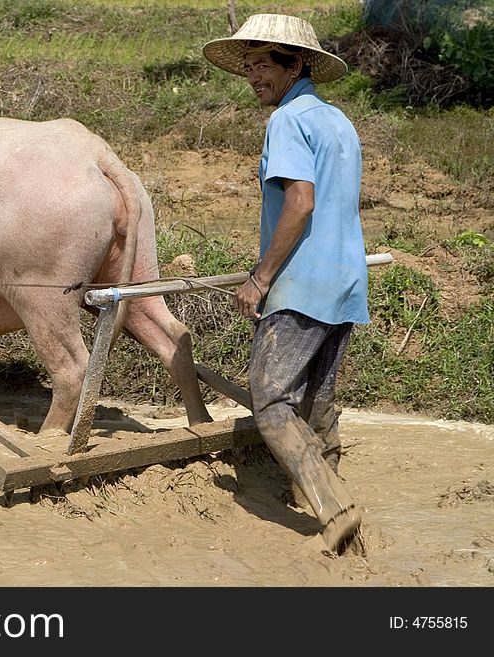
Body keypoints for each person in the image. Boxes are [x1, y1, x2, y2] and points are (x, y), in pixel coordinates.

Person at [203, 14, 369, 552]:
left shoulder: (288, 120)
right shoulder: (338, 122)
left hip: (302, 285)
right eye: (247, 67)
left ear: (293, 63)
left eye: (262, 65)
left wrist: (260, 277)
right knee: (316, 400)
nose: (253, 77)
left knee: (271, 401)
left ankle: (331, 505)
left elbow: (300, 202)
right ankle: (335, 498)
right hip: (345, 282)